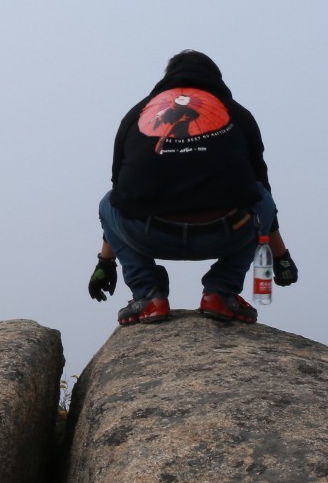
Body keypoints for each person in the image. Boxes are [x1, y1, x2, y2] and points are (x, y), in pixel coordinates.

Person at [88, 50, 297, 325]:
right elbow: (262, 195)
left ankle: (148, 294)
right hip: (225, 232)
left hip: (149, 233)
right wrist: (280, 257)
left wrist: (105, 263)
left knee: (107, 202)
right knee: (258, 197)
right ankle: (221, 294)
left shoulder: (137, 115)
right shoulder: (236, 114)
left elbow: (119, 194)